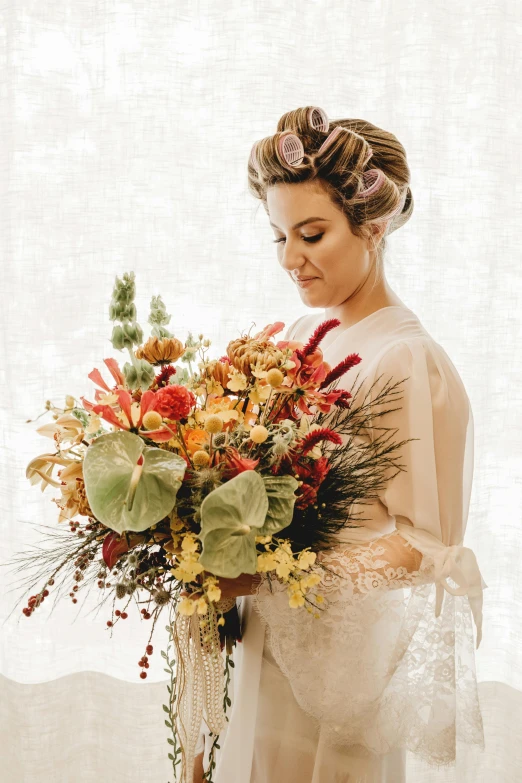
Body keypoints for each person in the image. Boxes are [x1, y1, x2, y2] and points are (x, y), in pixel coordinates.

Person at [192, 106, 486, 783]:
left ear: (373, 225)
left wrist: (271, 572)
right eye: (279, 236)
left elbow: (422, 545)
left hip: (338, 680)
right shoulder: (297, 335)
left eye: (313, 233)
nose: (292, 258)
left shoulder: (411, 360)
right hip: (266, 644)